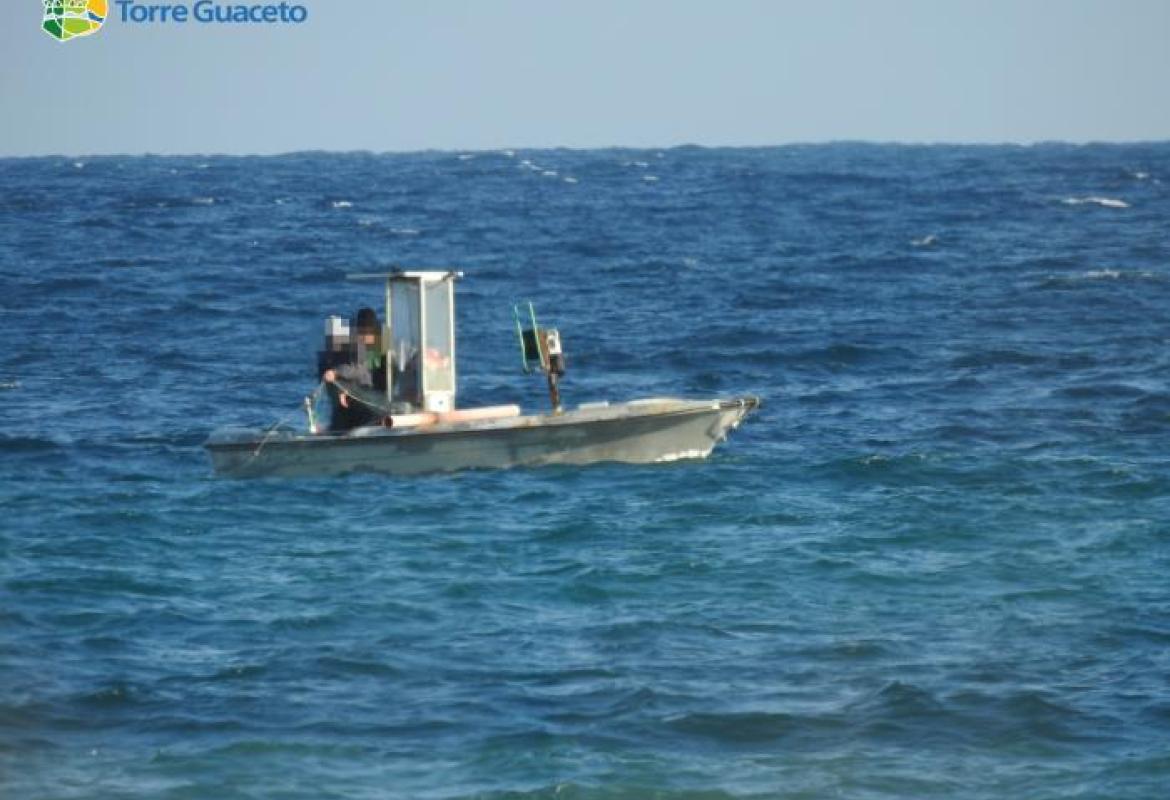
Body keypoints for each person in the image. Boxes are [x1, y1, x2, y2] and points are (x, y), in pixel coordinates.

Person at [320, 307, 388, 431]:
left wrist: (336, 373)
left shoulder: (380, 341)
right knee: (341, 419)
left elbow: (361, 369)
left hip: (375, 394)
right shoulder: (355, 342)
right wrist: (342, 388)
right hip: (357, 392)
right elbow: (355, 368)